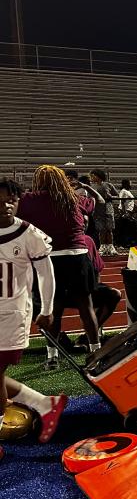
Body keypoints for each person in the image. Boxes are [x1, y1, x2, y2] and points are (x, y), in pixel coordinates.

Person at [0, 178, 67, 461]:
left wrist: (48, 308)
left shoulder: (29, 234)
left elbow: (46, 274)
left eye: (11, 199)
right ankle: (44, 403)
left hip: (11, 314)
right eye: (0, 199)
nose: (6, 204)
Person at [18, 166, 103, 370]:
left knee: (52, 309)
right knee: (86, 307)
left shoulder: (29, 199)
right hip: (78, 256)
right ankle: (96, 352)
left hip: (49, 258)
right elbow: (94, 204)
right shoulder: (71, 197)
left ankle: (52, 356)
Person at [90, 169, 120, 256]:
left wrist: (111, 196)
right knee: (101, 230)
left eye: (93, 175)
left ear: (98, 176)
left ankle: (111, 247)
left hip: (108, 210)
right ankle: (102, 247)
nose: (91, 177)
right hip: (98, 210)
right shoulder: (91, 187)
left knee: (109, 229)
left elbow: (117, 195)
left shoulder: (108, 185)